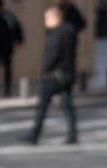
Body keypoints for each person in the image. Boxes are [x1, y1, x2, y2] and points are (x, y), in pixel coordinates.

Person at [20, 7, 78, 145]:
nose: (45, 21)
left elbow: (52, 54)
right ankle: (72, 135)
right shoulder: (70, 31)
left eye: (46, 18)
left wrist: (45, 70)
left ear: (54, 18)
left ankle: (34, 134)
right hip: (67, 73)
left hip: (53, 75)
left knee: (42, 106)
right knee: (67, 106)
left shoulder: (55, 33)